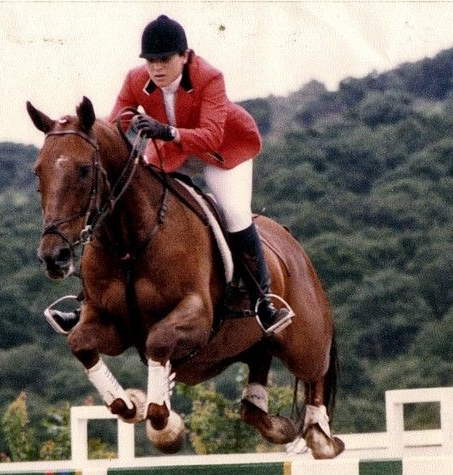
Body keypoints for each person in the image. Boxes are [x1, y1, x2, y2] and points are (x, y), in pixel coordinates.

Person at [48, 14, 293, 336]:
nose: (156, 68)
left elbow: (210, 135)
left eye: (164, 60)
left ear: (185, 56)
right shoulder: (136, 79)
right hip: (172, 151)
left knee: (234, 213)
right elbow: (114, 124)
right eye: (150, 61)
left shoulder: (209, 77)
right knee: (130, 203)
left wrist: (166, 130)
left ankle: (264, 301)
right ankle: (88, 303)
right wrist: (85, 132)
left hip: (222, 151)